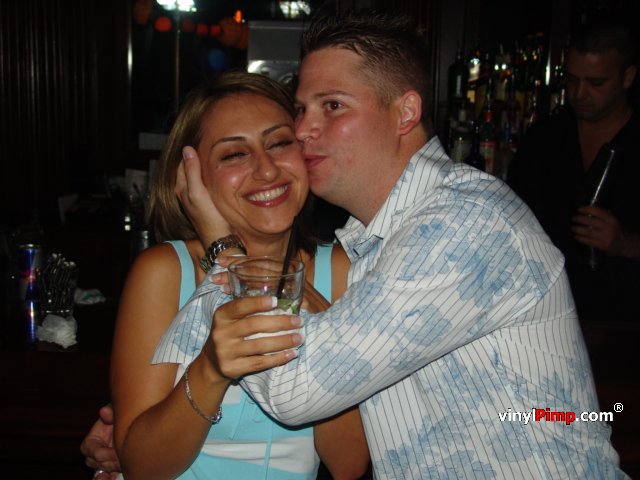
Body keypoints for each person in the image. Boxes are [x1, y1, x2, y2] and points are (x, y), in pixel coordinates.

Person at [156, 12, 628, 479]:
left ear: (405, 113)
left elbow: (294, 390)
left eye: (332, 106)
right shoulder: (378, 239)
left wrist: (222, 247)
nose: (301, 131)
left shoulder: (460, 224)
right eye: (301, 110)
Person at [93, 71, 369, 480]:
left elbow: (348, 463)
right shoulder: (164, 272)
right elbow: (142, 467)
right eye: (234, 155)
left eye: (279, 143)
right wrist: (211, 369)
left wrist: (317, 317)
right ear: (192, 177)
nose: (267, 170)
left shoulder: (342, 270)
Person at [507, 17, 640, 323]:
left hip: (627, 322)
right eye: (571, 80)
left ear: (628, 77)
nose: (579, 93)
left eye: (596, 83)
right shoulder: (545, 138)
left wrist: (626, 244)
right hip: (548, 315)